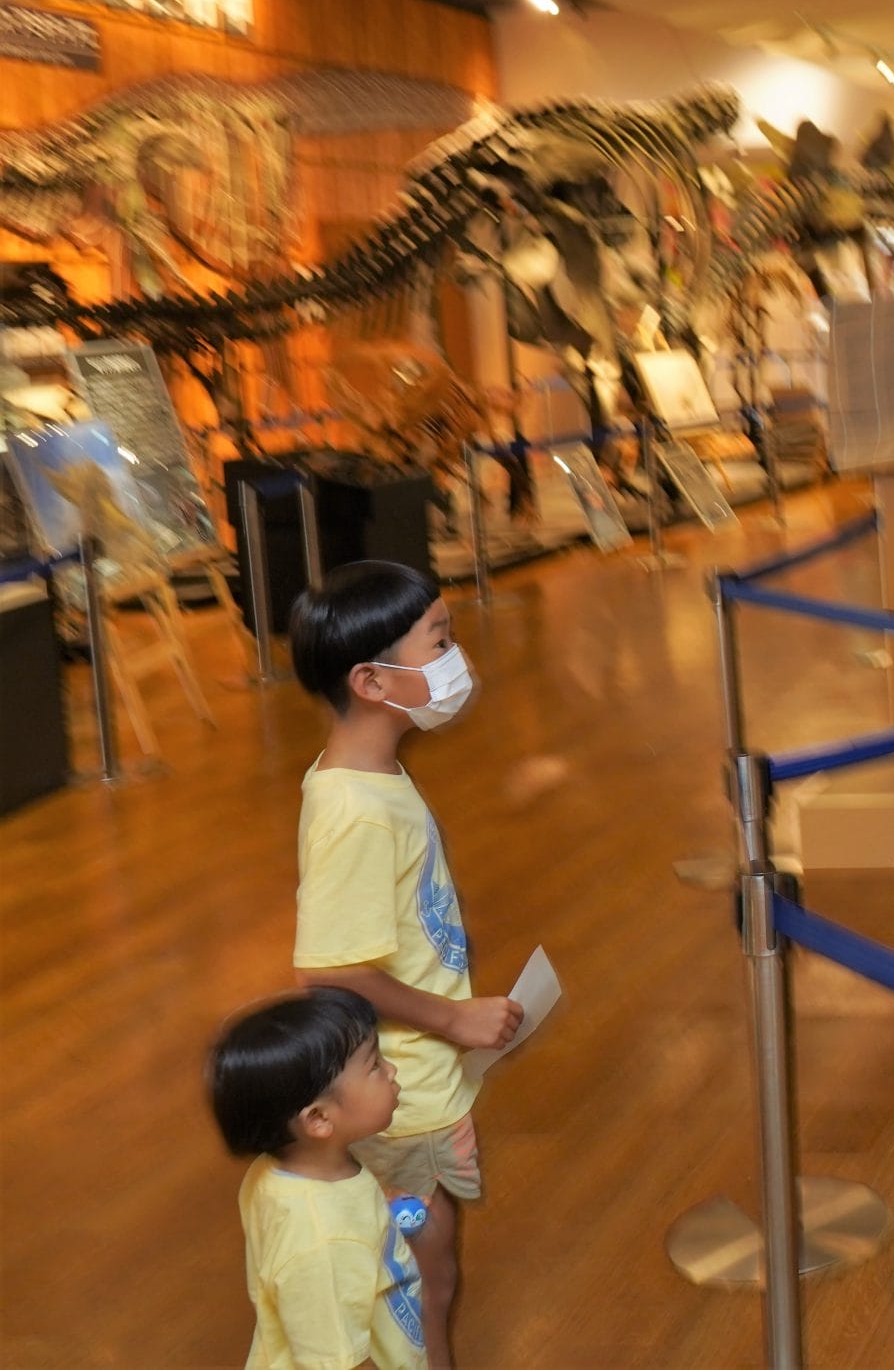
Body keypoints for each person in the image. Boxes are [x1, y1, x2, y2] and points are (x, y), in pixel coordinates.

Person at [287, 561, 519, 1370]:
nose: (456, 660)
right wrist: (455, 1017)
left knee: (433, 1271)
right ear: (372, 680)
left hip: (424, 1079)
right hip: (402, 1095)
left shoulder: (375, 777)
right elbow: (333, 969)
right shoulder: (354, 810)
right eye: (440, 642)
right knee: (422, 1278)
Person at [210, 987, 427, 1370]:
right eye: (375, 1065)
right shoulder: (322, 1245)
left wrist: (376, 1212)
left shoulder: (280, 1171)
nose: (391, 1070)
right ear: (319, 1118)